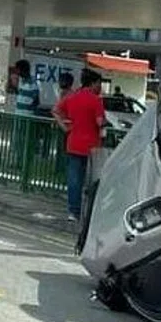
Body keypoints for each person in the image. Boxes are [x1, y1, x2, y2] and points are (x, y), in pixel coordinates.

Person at [56, 69, 105, 220]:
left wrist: (65, 126)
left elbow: (56, 110)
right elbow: (100, 122)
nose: (100, 87)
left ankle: (73, 211)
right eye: (99, 84)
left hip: (73, 143)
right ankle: (89, 212)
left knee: (74, 180)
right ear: (93, 83)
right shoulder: (96, 100)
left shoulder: (72, 97)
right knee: (91, 181)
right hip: (92, 147)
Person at [52, 72, 75, 172]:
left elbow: (57, 110)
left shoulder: (70, 95)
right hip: (62, 124)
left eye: (62, 80)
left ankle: (63, 168)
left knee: (66, 149)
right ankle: (59, 168)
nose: (60, 82)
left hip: (68, 126)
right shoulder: (62, 94)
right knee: (61, 147)